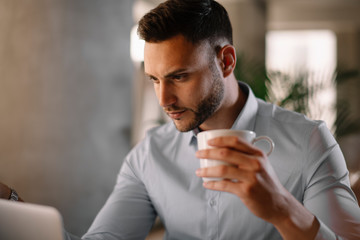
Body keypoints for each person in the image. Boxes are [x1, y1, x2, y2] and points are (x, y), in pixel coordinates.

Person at [1, 0, 360, 239]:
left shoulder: (310, 142)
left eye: (179, 77)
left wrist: (283, 210)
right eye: (154, 80)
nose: (164, 100)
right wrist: (12, 208)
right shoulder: (150, 155)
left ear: (226, 61)